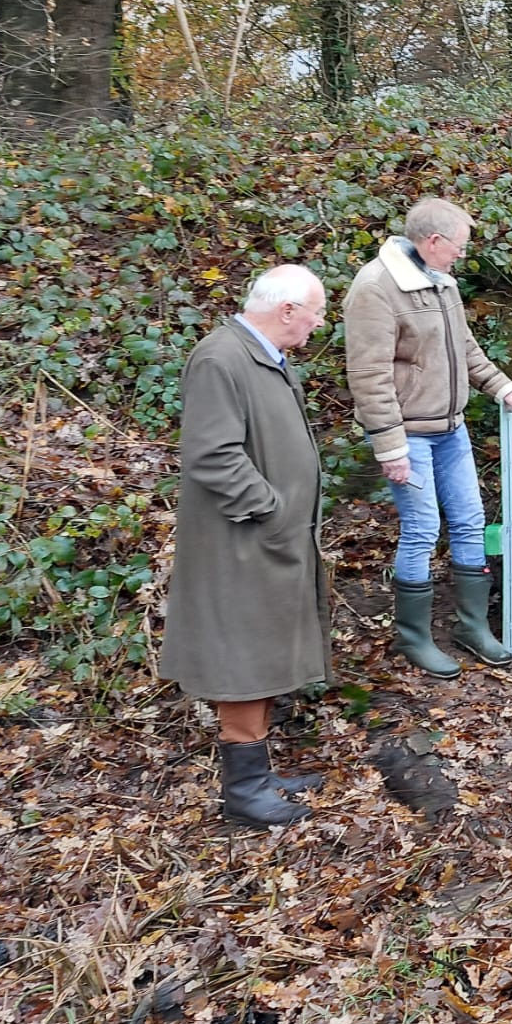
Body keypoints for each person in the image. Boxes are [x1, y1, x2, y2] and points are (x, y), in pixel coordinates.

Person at [161, 265, 332, 828]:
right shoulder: (221, 359)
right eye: (315, 312)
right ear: (287, 310)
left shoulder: (263, 358)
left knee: (261, 652)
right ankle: (244, 791)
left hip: (268, 539)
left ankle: (258, 774)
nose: (318, 323)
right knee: (242, 656)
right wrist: (271, 508)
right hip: (241, 540)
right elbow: (212, 454)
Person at [344, 197, 512, 678]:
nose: (461, 256)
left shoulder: (439, 279)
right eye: (459, 247)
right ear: (434, 241)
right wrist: (389, 446)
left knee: (470, 520)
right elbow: (369, 376)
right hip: (409, 435)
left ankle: (472, 628)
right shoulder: (376, 289)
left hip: (451, 428)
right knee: (423, 529)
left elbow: (463, 349)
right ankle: (415, 638)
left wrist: (504, 388)